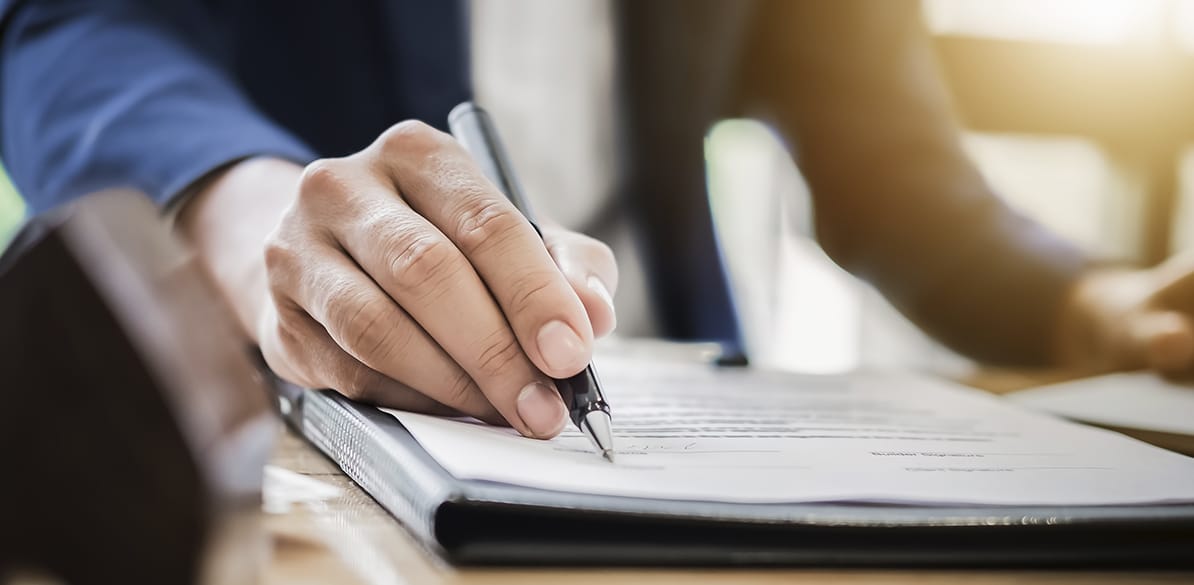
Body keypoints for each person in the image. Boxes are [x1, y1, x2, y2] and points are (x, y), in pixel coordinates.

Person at [1, 0, 1190, 443]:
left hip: (688, 430)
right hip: (315, 430)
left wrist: (1096, 305)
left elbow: (893, 175)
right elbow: (77, 31)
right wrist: (256, 213)